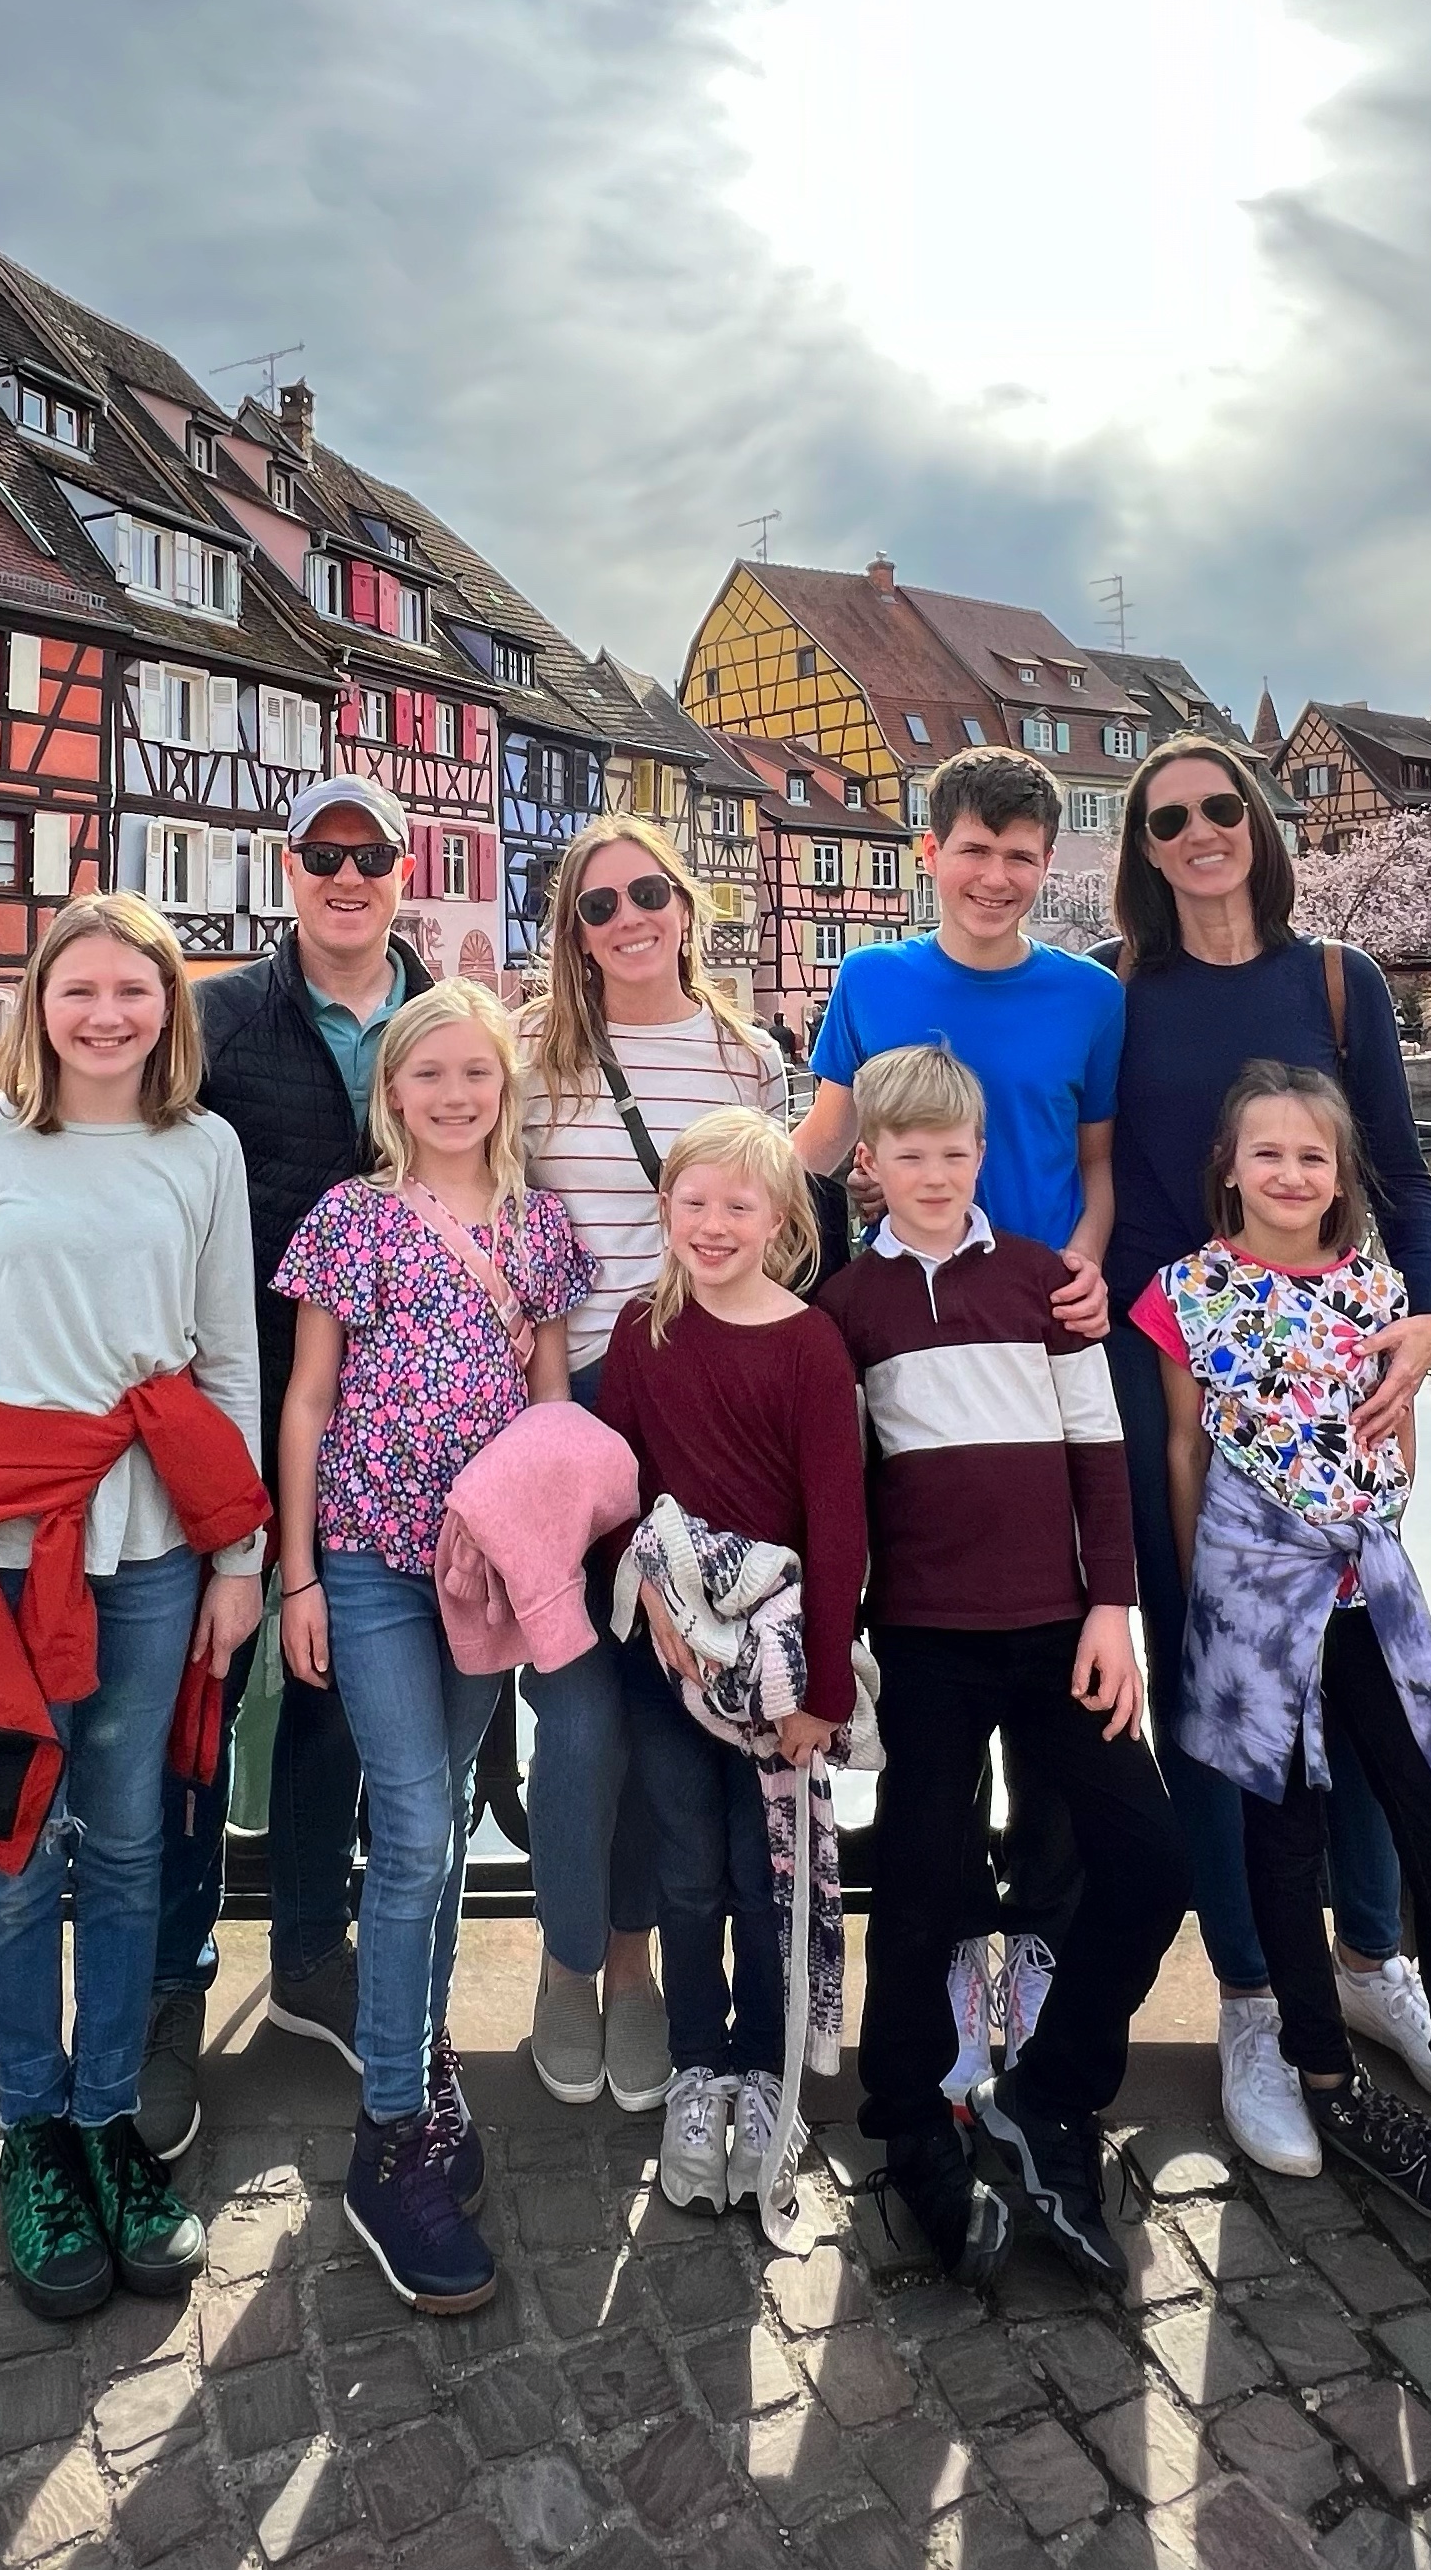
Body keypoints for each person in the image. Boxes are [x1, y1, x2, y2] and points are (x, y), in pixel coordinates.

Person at [0, 893, 265, 2322]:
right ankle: (29, 2127)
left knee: (132, 1836)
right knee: (15, 1847)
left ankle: (108, 2121)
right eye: (79, 989)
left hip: (149, 1549)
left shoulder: (202, 1148)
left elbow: (228, 1359)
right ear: (38, 1004)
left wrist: (237, 1561)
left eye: (133, 991)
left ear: (168, 1009)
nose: (106, 1014)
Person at [1097, 736, 1431, 2174]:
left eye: (1217, 806)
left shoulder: (1336, 981)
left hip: (1326, 1380)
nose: (1197, 830)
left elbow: (1399, 1175)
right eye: (1165, 817)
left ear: (1254, 821)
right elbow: (1078, 1163)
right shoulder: (1117, 993)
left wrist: (1426, 1322)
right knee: (1211, 1679)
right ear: (1141, 847)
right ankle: (1249, 1992)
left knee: (1351, 1676)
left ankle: (1368, 1959)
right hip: (1173, 1373)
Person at [1149, 1063, 1431, 2240]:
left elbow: (1398, 1432)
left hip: (1362, 1595)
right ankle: (1324, 2076)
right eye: (1266, 1152)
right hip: (1254, 1604)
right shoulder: (1185, 1294)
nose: (1289, 1172)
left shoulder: (1376, 1286)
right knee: (1280, 1840)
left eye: (1311, 1155)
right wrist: (1209, 1591)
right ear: (1229, 1166)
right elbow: (1184, 1449)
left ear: (1338, 1178)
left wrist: (1375, 1533)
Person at [817, 1045, 1188, 2286]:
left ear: (981, 1152)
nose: (933, 1173)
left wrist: (1111, 1609)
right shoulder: (846, 1308)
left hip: (1058, 1628)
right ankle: (909, 2117)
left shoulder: (1042, 1283)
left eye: (952, 1150)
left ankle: (1050, 2090)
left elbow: (1098, 1453)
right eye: (907, 1152)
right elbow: (838, 1485)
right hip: (925, 1637)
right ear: (870, 1162)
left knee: (1148, 1863)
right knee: (919, 1887)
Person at [795, 746, 1125, 2099]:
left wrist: (1087, 1262)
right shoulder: (870, 981)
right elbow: (815, 1154)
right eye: (973, 851)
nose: (996, 878)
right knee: (926, 1659)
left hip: (1039, 1349)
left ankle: (1036, 1939)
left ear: (1046, 865)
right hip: (910, 1352)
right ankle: (936, 1947)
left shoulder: (1090, 996)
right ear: (928, 852)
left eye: (1020, 857)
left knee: (1052, 1654)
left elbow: (1096, 1167)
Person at [275, 981, 592, 2311]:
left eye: (476, 1072)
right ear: (390, 1091)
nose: (454, 1095)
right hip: (366, 1557)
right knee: (410, 1823)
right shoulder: (350, 1218)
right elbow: (307, 1401)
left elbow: (552, 1410)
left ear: (502, 1087)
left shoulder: (538, 1226)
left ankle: (423, 2057)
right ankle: (389, 2133)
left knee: (447, 1815)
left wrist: (548, 1559)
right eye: (428, 1074)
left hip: (484, 1570)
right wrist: (296, 1571)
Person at [135, 778, 433, 2161]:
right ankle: (168, 1986)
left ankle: (312, 1950)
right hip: (231, 1404)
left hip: (387, 1426)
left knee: (332, 1694)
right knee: (199, 1691)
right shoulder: (217, 1021)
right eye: (323, 854)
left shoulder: (446, 1017)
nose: (346, 875)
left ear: (401, 869)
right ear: (287, 868)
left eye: (369, 854)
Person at [517, 814, 786, 2111]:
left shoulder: (747, 1058)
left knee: (678, 1691)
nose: (625, 919)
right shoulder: (534, 1057)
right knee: (585, 1709)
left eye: (645, 893)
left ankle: (651, 1969)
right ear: (573, 933)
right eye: (596, 904)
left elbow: (774, 1232)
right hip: (578, 1400)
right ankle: (580, 1957)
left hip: (704, 1399)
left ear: (684, 905)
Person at [596, 1108, 866, 2220]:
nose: (713, 1225)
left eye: (738, 1206)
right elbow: (615, 1489)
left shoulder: (809, 1344)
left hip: (773, 1672)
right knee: (686, 1869)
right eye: (693, 1202)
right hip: (668, 1661)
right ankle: (696, 2070)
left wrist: (823, 1692)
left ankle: (766, 2073)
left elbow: (838, 1523)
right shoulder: (639, 1331)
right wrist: (651, 1588)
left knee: (764, 1879)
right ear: (664, 1210)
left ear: (781, 1221)